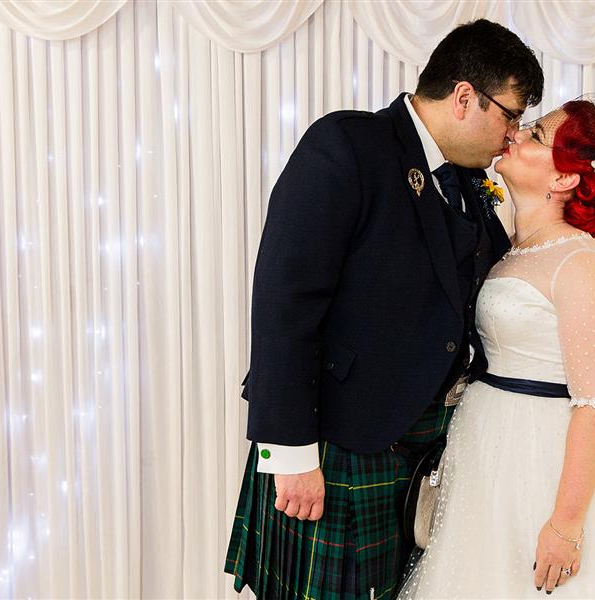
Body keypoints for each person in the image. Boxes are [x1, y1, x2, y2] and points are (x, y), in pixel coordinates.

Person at [224, 20, 543, 600]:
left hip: (424, 453)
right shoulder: (347, 145)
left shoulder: (470, 183)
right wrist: (289, 453)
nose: (513, 134)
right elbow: (284, 301)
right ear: (465, 96)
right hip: (334, 446)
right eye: (511, 115)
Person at [396, 97, 595, 598]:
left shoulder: (580, 264)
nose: (515, 134)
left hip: (541, 456)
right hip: (486, 448)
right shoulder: (508, 246)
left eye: (536, 135)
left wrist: (564, 526)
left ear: (564, 179)